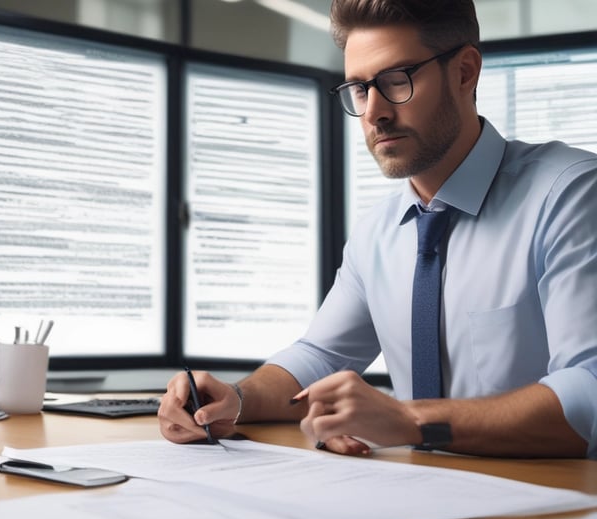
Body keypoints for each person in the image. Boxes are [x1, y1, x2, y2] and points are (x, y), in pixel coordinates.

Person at [159, 0, 597, 459]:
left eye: (396, 81)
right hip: (414, 497)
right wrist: (236, 399)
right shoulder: (378, 233)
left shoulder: (570, 195)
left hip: (554, 506)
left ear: (465, 71)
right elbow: (320, 356)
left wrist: (408, 421)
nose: (374, 113)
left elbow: (588, 390)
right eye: (360, 89)